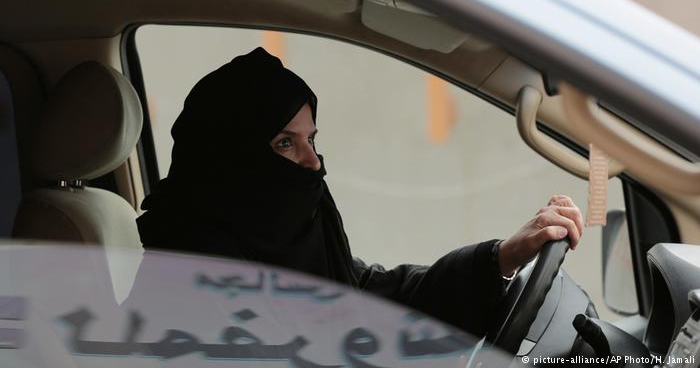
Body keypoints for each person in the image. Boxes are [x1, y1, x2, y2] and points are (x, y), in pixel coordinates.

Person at [136, 47, 583, 336]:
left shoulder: (293, 247)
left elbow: (373, 295)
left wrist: (500, 257)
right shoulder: (183, 285)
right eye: (284, 143)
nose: (312, 163)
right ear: (230, 161)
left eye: (312, 139)